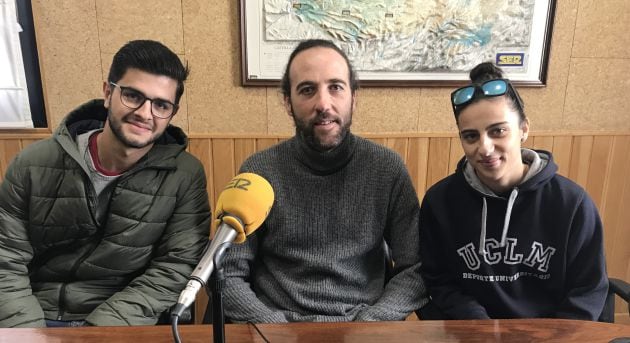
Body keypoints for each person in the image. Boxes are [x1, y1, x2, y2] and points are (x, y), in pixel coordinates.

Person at [0, 40, 211, 327]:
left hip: (124, 321)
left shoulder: (184, 175)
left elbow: (173, 268)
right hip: (34, 312)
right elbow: (6, 259)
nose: (145, 113)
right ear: (108, 92)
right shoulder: (33, 162)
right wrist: (27, 332)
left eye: (161, 105)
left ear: (171, 113)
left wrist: (98, 333)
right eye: (133, 96)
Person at [221, 39, 427, 322]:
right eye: (307, 90)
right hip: (278, 327)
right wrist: (273, 329)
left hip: (363, 328)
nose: (323, 104)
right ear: (287, 102)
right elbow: (228, 271)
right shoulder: (259, 171)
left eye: (336, 87)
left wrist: (373, 324)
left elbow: (414, 267)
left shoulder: (386, 168)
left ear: (354, 97)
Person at [419, 62, 608, 320]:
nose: (485, 148)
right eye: (471, 136)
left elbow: (588, 290)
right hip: (472, 334)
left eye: (498, 131)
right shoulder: (439, 202)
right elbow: (438, 280)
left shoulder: (572, 203)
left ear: (523, 129)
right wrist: (479, 328)